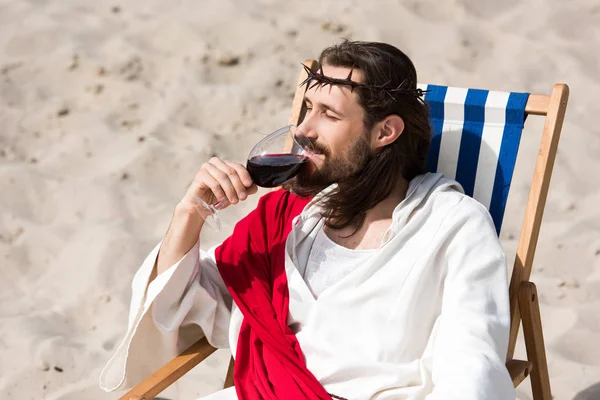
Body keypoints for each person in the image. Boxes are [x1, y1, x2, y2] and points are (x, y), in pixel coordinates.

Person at [100, 40, 515, 400]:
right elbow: (178, 307)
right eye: (307, 109)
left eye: (329, 115)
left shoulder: (452, 227)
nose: (303, 129)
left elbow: (471, 364)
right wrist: (189, 214)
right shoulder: (292, 219)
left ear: (385, 132)